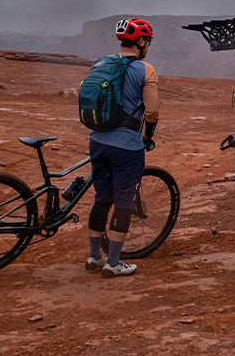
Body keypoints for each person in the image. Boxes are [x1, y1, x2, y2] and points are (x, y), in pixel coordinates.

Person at [85, 17, 159, 278]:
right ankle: (113, 262)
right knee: (124, 202)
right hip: (126, 147)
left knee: (102, 198)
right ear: (140, 41)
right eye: (147, 41)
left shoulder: (102, 62)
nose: (148, 45)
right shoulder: (145, 69)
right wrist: (148, 136)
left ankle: (94, 256)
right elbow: (151, 111)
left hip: (98, 141)